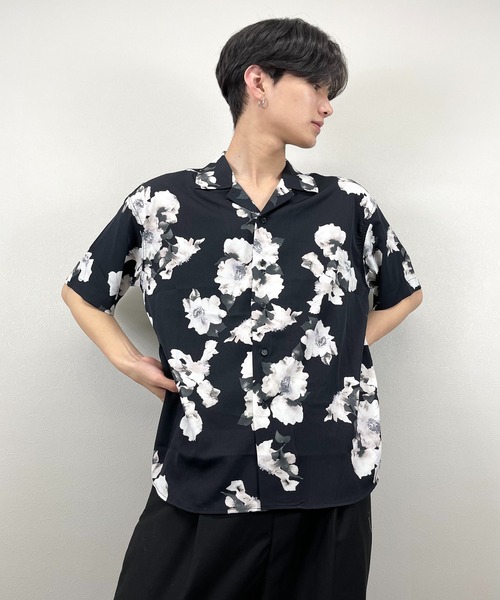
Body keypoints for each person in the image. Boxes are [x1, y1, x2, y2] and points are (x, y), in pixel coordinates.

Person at [62, 17, 422, 600]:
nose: (327, 106)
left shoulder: (347, 206)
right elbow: (83, 291)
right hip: (204, 467)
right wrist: (129, 362)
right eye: (317, 87)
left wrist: (338, 347)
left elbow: (405, 293)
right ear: (258, 82)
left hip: (326, 472)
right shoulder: (162, 204)